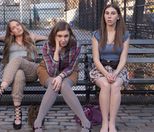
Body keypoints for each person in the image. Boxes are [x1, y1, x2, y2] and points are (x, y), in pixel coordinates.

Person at [0, 19, 47, 130]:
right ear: (11, 32)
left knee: (17, 59)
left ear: (21, 25)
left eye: (18, 25)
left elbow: (50, 37)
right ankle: (17, 114)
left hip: (32, 70)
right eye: (13, 28)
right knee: (18, 73)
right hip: (14, 73)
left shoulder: (31, 36)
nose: (17, 28)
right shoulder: (8, 40)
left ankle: (0, 91)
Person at [33, 21, 91, 132]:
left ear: (70, 35)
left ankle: (85, 121)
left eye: (66, 36)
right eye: (59, 36)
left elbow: (71, 67)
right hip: (46, 69)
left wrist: (60, 77)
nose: (63, 39)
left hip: (69, 70)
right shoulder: (47, 46)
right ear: (54, 36)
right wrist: (56, 53)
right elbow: (51, 72)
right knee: (53, 83)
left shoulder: (75, 45)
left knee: (64, 85)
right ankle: (38, 121)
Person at [89, 3, 130, 132]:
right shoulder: (97, 34)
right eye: (107, 13)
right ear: (104, 16)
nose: (109, 16)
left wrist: (116, 73)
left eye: (113, 13)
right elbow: (95, 59)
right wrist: (106, 73)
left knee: (115, 85)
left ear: (118, 17)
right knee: (106, 85)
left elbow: (123, 59)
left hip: (118, 68)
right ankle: (104, 123)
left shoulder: (124, 35)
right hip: (101, 68)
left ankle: (112, 124)